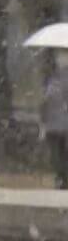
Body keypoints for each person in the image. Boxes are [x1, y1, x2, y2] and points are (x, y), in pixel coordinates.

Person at [44, 51, 68, 190]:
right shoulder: (52, 78)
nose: (60, 59)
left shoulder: (62, 78)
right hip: (53, 124)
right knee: (56, 154)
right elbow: (46, 102)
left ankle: (63, 179)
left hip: (63, 124)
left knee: (62, 153)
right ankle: (61, 178)